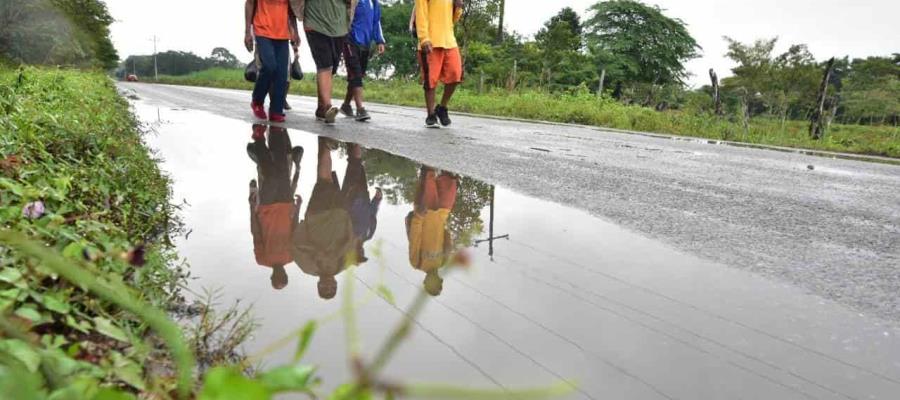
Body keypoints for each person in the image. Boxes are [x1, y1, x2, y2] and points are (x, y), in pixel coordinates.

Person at [292, 137, 355, 299]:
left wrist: (317, 251)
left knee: (324, 180)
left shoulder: (307, 267)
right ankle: (323, 142)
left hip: (316, 217)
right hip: (339, 215)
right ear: (335, 284)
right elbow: (351, 241)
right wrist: (348, 218)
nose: (328, 285)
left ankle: (325, 145)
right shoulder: (344, 264)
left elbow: (295, 243)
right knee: (326, 179)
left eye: (324, 288)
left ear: (318, 285)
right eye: (331, 288)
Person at [247, 124, 304, 289]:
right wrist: (298, 207)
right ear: (286, 275)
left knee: (271, 177)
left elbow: (256, 233)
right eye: (283, 277)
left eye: (277, 278)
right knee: (282, 170)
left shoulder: (262, 259)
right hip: (286, 204)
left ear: (272, 277)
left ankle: (258, 138)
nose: (280, 274)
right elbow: (294, 230)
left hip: (267, 208)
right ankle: (276, 131)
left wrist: (252, 208)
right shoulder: (291, 257)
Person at [301, 0, 358, 124]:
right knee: (324, 64)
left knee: (331, 66)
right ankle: (327, 106)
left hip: (339, 26)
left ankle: (321, 107)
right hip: (314, 23)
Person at [245, 0, 302, 122]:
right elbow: (249, 3)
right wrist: (247, 32)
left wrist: (295, 32)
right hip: (262, 30)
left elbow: (291, 10)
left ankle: (276, 110)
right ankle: (257, 101)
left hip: (282, 33)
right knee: (270, 66)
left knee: (282, 73)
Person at [406, 166, 459, 296]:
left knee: (428, 173)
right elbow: (447, 235)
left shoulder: (417, 263)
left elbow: (415, 238)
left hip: (426, 213)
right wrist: (449, 247)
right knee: (450, 179)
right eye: (438, 282)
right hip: (442, 213)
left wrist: (418, 217)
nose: (435, 279)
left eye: (432, 283)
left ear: (425, 281)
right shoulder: (443, 262)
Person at [414, 0, 464, 128]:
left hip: (449, 41)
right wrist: (424, 38)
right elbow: (421, 14)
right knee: (430, 80)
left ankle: (442, 107)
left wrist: (458, 7)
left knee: (455, 75)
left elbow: (453, 19)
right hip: (431, 41)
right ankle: (431, 114)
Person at [339, 0, 386, 122]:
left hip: (365, 44)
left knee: (358, 75)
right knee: (356, 73)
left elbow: (376, 22)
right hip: (350, 40)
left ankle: (346, 105)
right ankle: (360, 109)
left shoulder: (374, 3)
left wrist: (379, 40)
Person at [342, 143, 382, 263]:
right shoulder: (368, 235)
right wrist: (377, 200)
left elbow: (341, 215)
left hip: (350, 194)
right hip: (364, 195)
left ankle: (355, 141)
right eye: (362, 255)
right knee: (358, 165)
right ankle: (351, 142)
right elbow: (372, 215)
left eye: (357, 255)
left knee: (355, 164)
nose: (360, 252)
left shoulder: (345, 236)